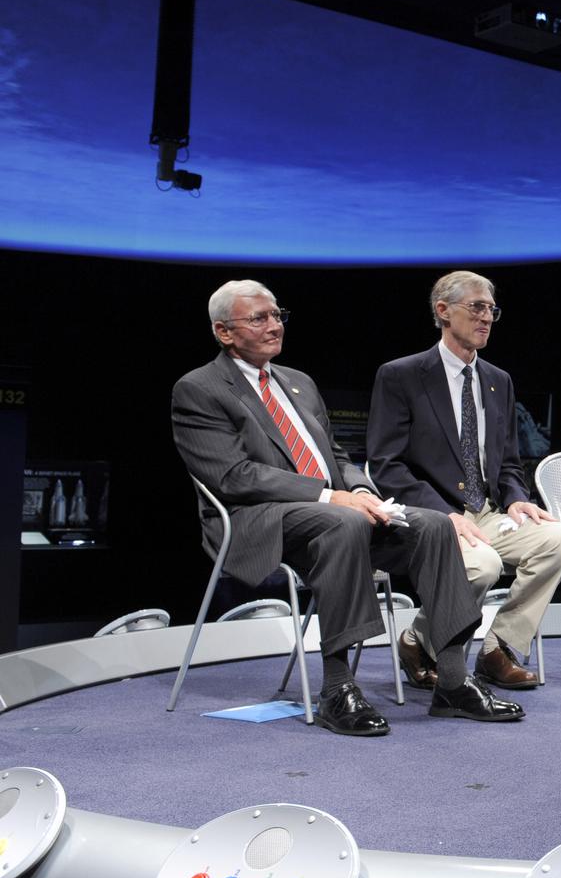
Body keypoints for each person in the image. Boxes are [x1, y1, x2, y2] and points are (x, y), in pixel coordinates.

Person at [172, 279, 524, 736]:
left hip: (332, 513)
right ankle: (337, 689)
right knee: (341, 523)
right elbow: (234, 476)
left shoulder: (298, 382)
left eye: (278, 315)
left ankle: (453, 683)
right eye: (258, 318)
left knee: (436, 525)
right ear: (224, 332)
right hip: (256, 520)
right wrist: (329, 496)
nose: (274, 325)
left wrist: (359, 491)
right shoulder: (199, 388)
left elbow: (337, 457)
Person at [368, 270, 561, 691]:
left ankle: (496, 648)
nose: (486, 318)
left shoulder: (499, 381)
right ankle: (420, 641)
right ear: (443, 311)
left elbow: (510, 461)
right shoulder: (402, 375)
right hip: (430, 515)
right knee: (482, 567)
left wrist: (517, 498)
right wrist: (445, 514)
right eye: (476, 307)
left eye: (491, 310)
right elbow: (386, 465)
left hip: (487, 512)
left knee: (558, 541)